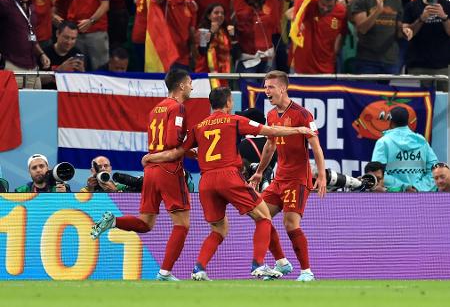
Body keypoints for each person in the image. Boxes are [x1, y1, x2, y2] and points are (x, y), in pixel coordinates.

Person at [145, 86, 314, 281]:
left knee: (219, 229)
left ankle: (199, 268)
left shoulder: (199, 127)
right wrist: (297, 129)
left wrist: (151, 157)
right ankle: (259, 265)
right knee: (264, 217)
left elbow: (176, 152)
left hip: (206, 182)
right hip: (228, 177)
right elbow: (271, 130)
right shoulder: (234, 121)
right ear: (228, 103)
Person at [91, 69, 193, 281]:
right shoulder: (178, 108)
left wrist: (156, 156)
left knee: (146, 223)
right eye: (190, 83)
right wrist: (192, 144)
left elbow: (162, 143)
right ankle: (164, 272)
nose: (192, 87)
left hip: (151, 171)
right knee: (182, 224)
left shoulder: (156, 109)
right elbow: (174, 142)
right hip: (169, 169)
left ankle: (114, 221)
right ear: (181, 86)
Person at [249, 70, 327, 282]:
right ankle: (282, 262)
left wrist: (321, 175)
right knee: (260, 214)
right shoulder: (272, 115)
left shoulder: (302, 114)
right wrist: (258, 172)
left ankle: (306, 272)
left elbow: (316, 147)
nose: (267, 91)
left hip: (298, 179)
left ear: (282, 88)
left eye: (270, 87)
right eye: (265, 87)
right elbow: (269, 146)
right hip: (279, 179)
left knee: (291, 223)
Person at [351, 0, 413, 74]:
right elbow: (362, 29)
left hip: (391, 60)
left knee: (389, 92)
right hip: (367, 60)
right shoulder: (361, 0)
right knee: (368, 91)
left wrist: (405, 30)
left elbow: (398, 31)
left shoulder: (396, 1)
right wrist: (378, 10)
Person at [0, 0, 50, 89]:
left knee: (36, 104)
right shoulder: (4, 3)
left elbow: (31, 37)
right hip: (12, 65)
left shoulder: (31, 8)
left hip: (32, 66)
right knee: (14, 104)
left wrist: (41, 54)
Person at [371, 106, 438, 192]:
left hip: (392, 198)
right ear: (408, 121)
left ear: (390, 121)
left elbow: (376, 174)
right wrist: (417, 188)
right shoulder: (422, 141)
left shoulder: (383, 142)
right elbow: (435, 170)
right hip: (419, 198)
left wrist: (404, 187)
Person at [403, 0, 450, 91]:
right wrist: (421, 19)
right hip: (418, 66)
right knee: (419, 106)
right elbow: (406, 35)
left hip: (443, 66)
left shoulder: (448, 6)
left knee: (445, 106)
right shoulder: (411, 7)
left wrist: (444, 17)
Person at [288, 0, 348, 74]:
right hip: (301, 66)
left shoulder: (342, 12)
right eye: (323, 4)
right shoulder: (309, 3)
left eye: (330, 6)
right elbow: (289, 13)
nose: (325, 9)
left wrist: (335, 51)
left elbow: (342, 34)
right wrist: (297, 21)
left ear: (336, 2)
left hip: (326, 68)